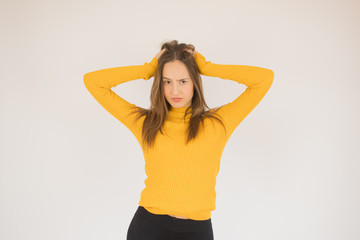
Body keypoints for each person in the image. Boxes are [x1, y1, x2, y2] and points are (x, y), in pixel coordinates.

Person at [83, 40, 274, 240]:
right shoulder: (146, 123)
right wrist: (148, 69)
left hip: (197, 231)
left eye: (183, 81)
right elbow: (93, 82)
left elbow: (264, 79)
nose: (175, 91)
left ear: (195, 82)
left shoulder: (218, 123)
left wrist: (206, 67)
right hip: (149, 227)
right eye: (167, 82)